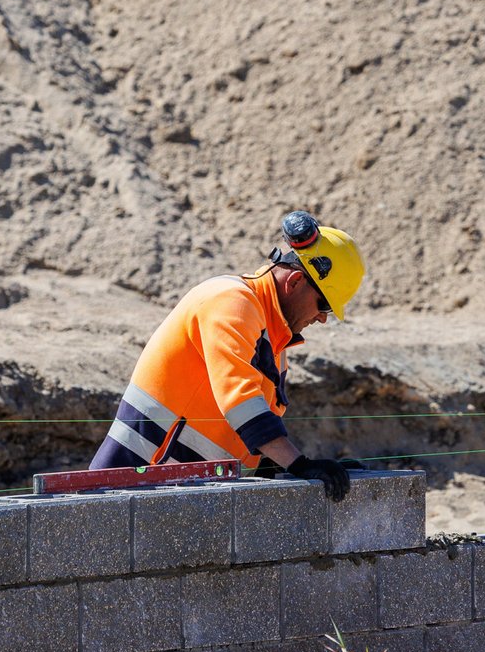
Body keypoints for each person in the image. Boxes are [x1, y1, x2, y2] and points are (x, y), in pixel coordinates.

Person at [89, 211, 364, 502]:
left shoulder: (272, 338)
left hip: (173, 498)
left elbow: (251, 438)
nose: (322, 318)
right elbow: (240, 400)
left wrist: (300, 470)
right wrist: (301, 465)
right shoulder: (231, 302)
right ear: (294, 281)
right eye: (324, 305)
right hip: (128, 491)